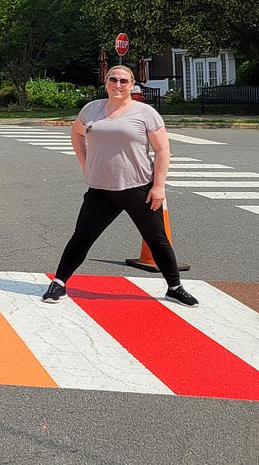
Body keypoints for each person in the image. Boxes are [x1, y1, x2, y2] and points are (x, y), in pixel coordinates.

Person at [42, 64, 199, 307]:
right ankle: (59, 283)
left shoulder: (145, 113)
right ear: (105, 82)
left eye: (123, 81)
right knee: (82, 237)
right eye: (113, 79)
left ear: (132, 85)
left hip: (137, 187)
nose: (118, 85)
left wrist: (159, 186)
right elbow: (76, 134)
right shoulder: (91, 110)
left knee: (156, 239)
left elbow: (162, 150)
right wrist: (85, 165)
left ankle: (175, 287)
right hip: (101, 189)